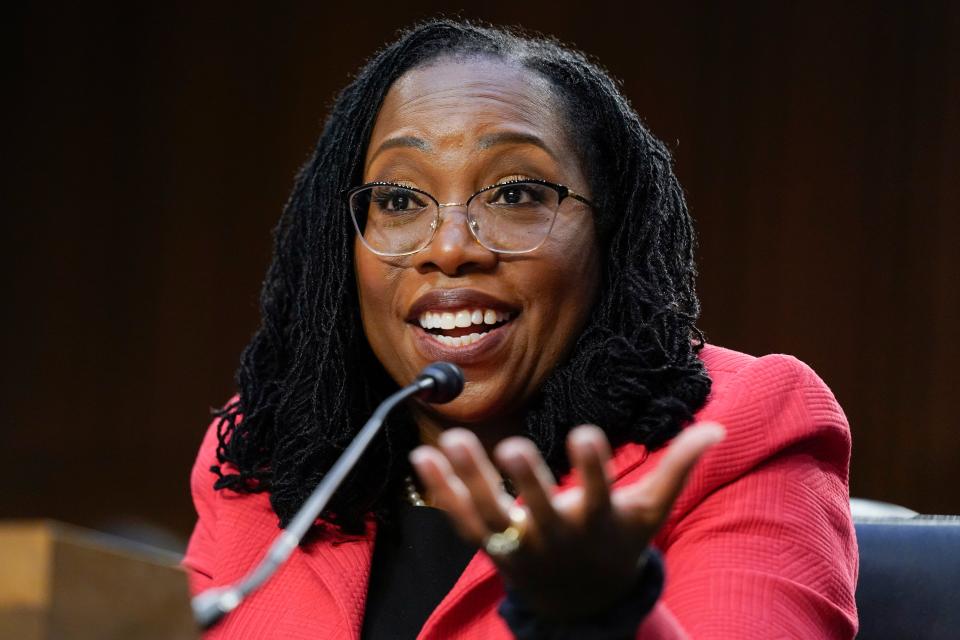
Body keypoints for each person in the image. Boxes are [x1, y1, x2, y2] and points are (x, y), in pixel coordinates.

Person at [182, 20, 858, 639]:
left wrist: (599, 612)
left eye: (515, 194)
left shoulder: (743, 427)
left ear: (609, 233)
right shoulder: (273, 454)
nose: (449, 248)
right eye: (398, 200)